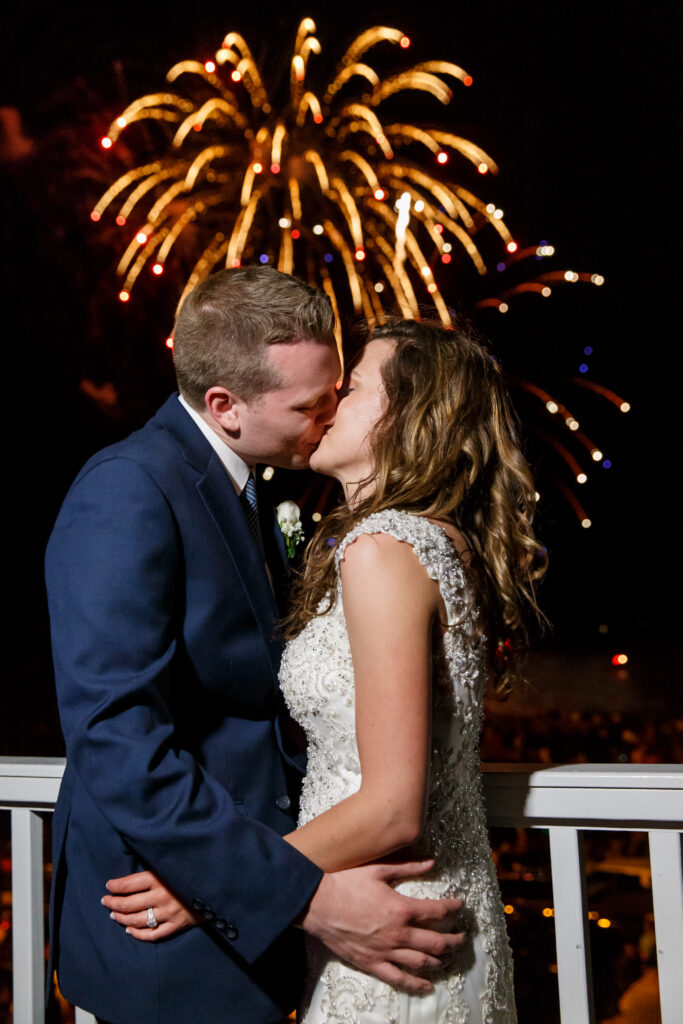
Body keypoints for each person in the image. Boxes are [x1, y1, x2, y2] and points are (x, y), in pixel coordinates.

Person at [45, 272, 465, 1024]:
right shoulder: (129, 490)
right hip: (161, 931)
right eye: (310, 404)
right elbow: (116, 741)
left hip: (242, 913)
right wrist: (292, 890)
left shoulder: (256, 491)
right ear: (224, 407)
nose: (331, 414)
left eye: (337, 390)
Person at [110, 317, 547, 1022]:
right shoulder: (435, 542)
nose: (327, 403)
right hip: (407, 911)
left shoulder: (382, 548)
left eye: (352, 389)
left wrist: (216, 881)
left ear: (407, 418)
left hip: (392, 926)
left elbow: (392, 805)